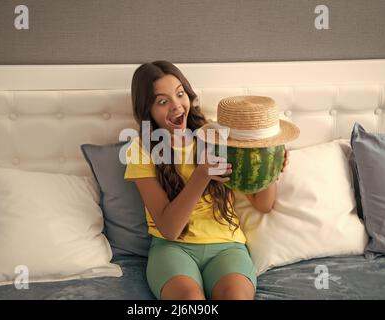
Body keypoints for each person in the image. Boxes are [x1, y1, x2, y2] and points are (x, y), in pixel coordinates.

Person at [123, 60, 290, 300]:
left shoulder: (216, 135)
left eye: (180, 94)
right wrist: (201, 176)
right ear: (147, 110)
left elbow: (263, 204)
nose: (176, 105)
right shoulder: (140, 150)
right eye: (162, 101)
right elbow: (169, 229)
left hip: (228, 247)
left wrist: (271, 168)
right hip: (172, 248)